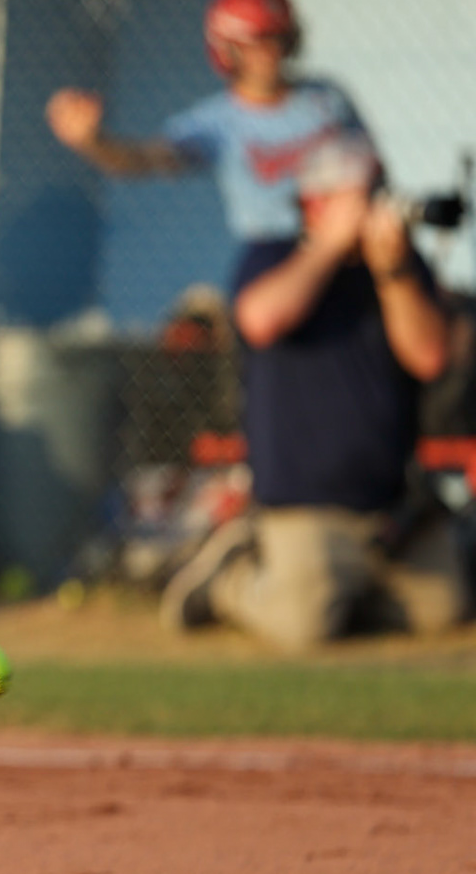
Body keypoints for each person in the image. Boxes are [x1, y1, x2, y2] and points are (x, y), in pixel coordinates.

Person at [160, 132, 460, 648]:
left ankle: (346, 597)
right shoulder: (270, 253)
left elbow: (430, 356)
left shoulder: (399, 268)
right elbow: (259, 320)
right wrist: (328, 244)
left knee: (444, 609)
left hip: (390, 508)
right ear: (316, 200)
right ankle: (229, 580)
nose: (374, 202)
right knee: (305, 628)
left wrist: (392, 272)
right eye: (361, 192)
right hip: (304, 506)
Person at [46, 0, 373, 251]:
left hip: (355, 240)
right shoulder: (217, 122)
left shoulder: (327, 97)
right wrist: (95, 142)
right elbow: (147, 158)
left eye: (278, 39)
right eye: (256, 44)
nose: (271, 54)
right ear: (228, 51)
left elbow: (371, 163)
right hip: (278, 247)